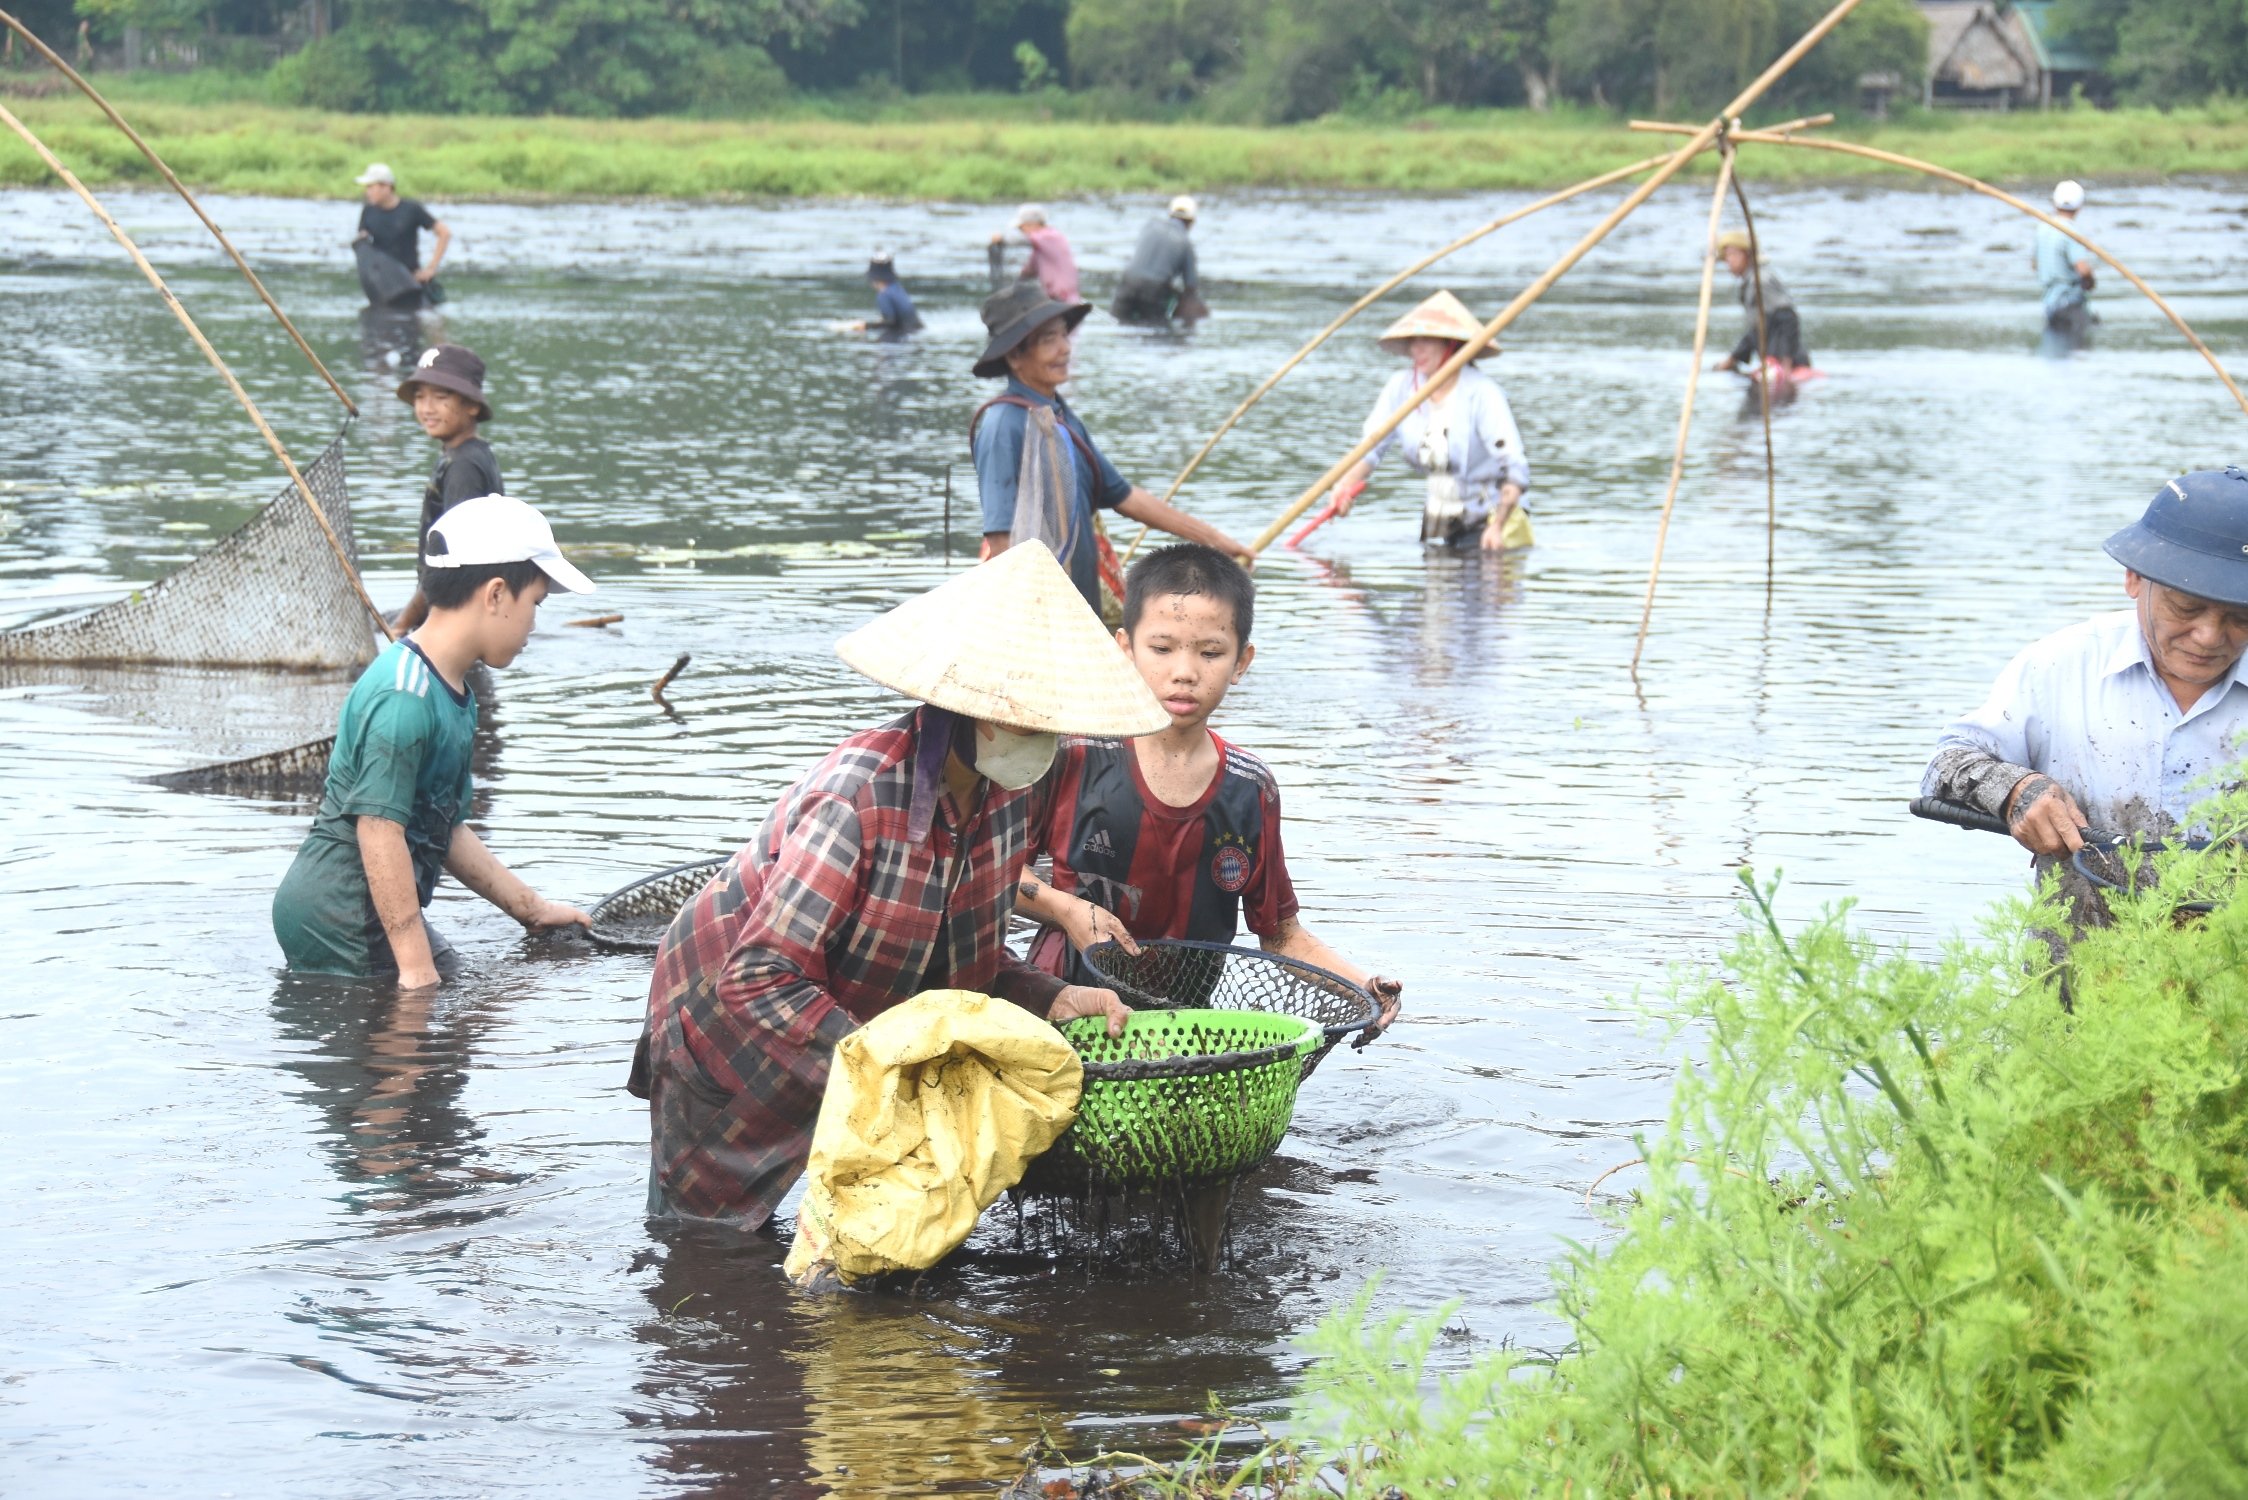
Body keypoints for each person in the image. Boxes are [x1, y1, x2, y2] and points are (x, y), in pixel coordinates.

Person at [627, 543, 1165, 1230]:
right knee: (707, 1238)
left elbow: (962, 962)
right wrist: (889, 1066)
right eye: (1026, 716)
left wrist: (1055, 997)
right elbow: (759, 977)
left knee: (889, 1220)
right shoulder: (858, 799)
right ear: (966, 710)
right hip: (725, 1015)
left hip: (848, 1011)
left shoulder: (1003, 801)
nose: (1044, 736)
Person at [1015, 543, 1404, 1036]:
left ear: (1241, 661)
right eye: (1162, 648)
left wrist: (1360, 984)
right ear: (1123, 649)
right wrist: (1065, 908)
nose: (1184, 672)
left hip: (1184, 1024)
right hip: (1064, 1010)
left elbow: (1281, 935)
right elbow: (993, 874)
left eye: (1210, 652)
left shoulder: (1249, 788)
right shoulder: (1074, 756)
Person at [272, 496, 596, 985]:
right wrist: (415, 966)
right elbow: (378, 831)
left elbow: (444, 829)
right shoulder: (405, 697)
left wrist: (532, 909)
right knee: (425, 1026)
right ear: (495, 595)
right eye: (536, 604)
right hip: (339, 912)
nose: (534, 623)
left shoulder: (455, 692)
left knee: (451, 1008)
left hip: (368, 905)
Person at [1922, 468, 2248, 898]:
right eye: (2186, 607)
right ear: (2133, 578)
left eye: (2241, 615)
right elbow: (1946, 767)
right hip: (2081, 956)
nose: (2208, 636)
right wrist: (2019, 792)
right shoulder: (2059, 666)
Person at [970, 282, 1254, 614]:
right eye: (1048, 340)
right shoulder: (1003, 424)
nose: (1064, 349)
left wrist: (1216, 542)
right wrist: (1029, 615)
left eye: (1064, 336)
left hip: (1078, 605)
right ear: (1015, 357)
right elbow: (1002, 539)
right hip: (1038, 610)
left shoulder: (1060, 417)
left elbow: (1124, 497)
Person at [1332, 289, 1532, 552]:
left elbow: (1515, 467)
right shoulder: (1401, 388)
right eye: (1414, 340)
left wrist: (1498, 526)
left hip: (1488, 524)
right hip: (1438, 523)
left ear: (1451, 344)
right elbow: (1371, 449)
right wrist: (1343, 486)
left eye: (1428, 340)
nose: (1417, 349)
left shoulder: (1482, 393)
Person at [392, 345, 503, 633]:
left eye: (441, 398)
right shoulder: (465, 455)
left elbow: (451, 561)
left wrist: (401, 625)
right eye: (420, 397)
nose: (427, 408)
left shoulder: (463, 467)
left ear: (472, 405)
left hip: (460, 616)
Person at [1711, 229, 1812, 378]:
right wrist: (1733, 359)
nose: (1729, 260)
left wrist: (1784, 363)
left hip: (1784, 359)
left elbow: (1787, 318)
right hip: (1773, 357)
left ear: (1747, 255)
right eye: (1727, 255)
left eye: (1733, 254)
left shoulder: (1760, 282)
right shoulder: (1750, 281)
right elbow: (1757, 328)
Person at [352, 163, 450, 308]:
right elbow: (363, 246)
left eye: (371, 187)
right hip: (383, 285)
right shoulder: (368, 211)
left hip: (410, 281)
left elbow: (444, 233)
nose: (368, 192)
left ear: (386, 187)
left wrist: (431, 269)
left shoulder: (411, 209)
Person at [1111, 195, 1202, 327]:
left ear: (1170, 214)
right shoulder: (1186, 244)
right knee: (1155, 333)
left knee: (1117, 325)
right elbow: (1191, 287)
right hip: (1155, 290)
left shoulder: (1150, 226)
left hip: (1128, 281)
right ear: (1191, 222)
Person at [2035, 180, 2096, 348]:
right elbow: (2083, 270)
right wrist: (2091, 281)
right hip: (2070, 305)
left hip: (2050, 305)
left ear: (2055, 203)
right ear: (2080, 205)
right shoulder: (2072, 232)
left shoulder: (2042, 229)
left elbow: (2035, 265)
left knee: (2055, 346)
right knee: (2085, 343)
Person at [988, 203, 1079, 304]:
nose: (1021, 231)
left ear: (1032, 224)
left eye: (1021, 228)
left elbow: (1023, 239)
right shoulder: (1040, 249)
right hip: (1053, 298)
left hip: (1063, 297)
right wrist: (1014, 288)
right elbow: (1028, 272)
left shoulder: (1050, 236)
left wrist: (1002, 238)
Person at [845, 249, 922, 339]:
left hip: (900, 337)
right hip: (915, 332)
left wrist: (866, 326)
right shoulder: (898, 289)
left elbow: (890, 324)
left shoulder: (884, 295)